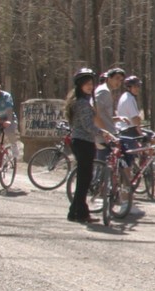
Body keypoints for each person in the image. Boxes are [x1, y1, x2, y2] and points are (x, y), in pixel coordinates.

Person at [65, 68, 116, 223]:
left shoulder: (84, 101)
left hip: (83, 141)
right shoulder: (81, 103)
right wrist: (103, 133)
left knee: (84, 179)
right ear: (79, 85)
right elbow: (88, 126)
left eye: (90, 83)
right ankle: (79, 213)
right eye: (86, 84)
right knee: (84, 180)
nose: (89, 86)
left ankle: (75, 212)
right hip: (83, 142)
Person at [94, 68, 126, 147]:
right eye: (117, 78)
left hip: (107, 135)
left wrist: (117, 118)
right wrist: (105, 132)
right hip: (104, 137)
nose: (119, 82)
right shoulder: (103, 91)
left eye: (121, 80)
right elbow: (94, 112)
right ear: (109, 78)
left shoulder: (106, 91)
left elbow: (103, 115)